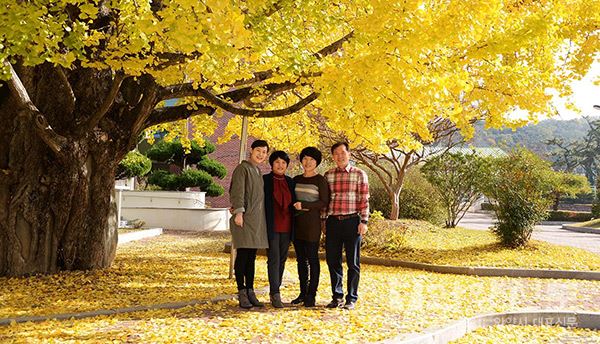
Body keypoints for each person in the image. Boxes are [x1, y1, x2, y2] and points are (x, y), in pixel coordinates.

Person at [323, 142, 369, 310]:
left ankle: (351, 298)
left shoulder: (359, 174)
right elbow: (325, 200)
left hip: (352, 222)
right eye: (336, 153)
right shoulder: (328, 175)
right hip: (333, 221)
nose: (340, 156)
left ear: (349, 154)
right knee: (332, 260)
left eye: (343, 152)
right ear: (333, 156)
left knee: (353, 262)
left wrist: (364, 221)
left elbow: (364, 199)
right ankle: (337, 296)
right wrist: (323, 221)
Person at [229, 140, 270, 309]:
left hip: (256, 221)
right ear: (251, 150)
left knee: (251, 257)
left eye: (264, 152)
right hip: (243, 219)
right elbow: (237, 191)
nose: (260, 154)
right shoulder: (242, 168)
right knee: (243, 255)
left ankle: (250, 290)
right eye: (258, 150)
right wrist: (239, 212)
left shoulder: (258, 171)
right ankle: (242, 291)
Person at [292, 147, 329, 307]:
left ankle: (311, 295)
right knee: (301, 260)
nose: (308, 162)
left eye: (312, 160)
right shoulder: (295, 179)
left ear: (317, 163)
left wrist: (305, 205)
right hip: (296, 224)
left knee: (312, 259)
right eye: (305, 159)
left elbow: (324, 202)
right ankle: (302, 292)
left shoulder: (320, 180)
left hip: (312, 224)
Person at [263, 150, 296, 308]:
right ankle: (275, 293)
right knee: (274, 258)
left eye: (283, 163)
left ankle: (276, 289)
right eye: (277, 162)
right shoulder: (265, 180)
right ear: (272, 164)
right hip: (272, 225)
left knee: (282, 259)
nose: (280, 165)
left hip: (287, 226)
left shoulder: (291, 182)